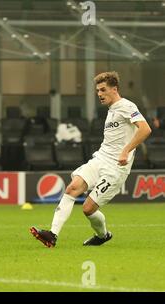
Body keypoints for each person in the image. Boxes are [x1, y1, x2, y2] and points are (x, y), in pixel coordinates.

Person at [30, 71, 151, 247]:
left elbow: (145, 129)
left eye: (103, 90)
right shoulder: (111, 111)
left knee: (88, 209)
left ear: (114, 89)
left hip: (115, 168)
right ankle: (52, 234)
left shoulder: (127, 106)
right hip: (101, 159)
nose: (99, 94)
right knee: (72, 188)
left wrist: (126, 151)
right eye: (97, 91)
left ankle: (103, 235)